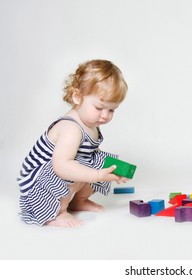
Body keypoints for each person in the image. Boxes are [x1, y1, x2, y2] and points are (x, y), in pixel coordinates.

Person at [17, 59, 129, 227]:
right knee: (80, 169)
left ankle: (78, 201)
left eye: (111, 109)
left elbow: (90, 152)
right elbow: (61, 165)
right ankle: (56, 213)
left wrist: (113, 169)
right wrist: (97, 175)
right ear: (77, 97)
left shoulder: (91, 124)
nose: (105, 115)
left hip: (61, 167)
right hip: (38, 182)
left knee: (97, 160)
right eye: (99, 108)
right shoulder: (71, 128)